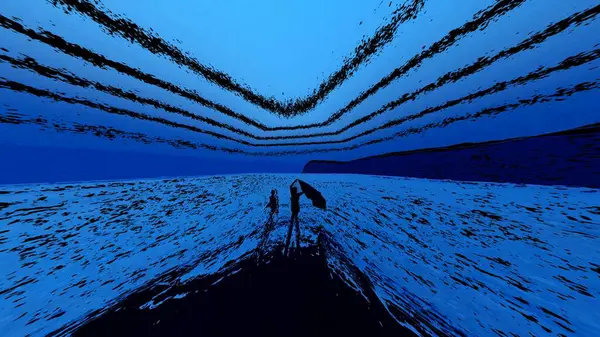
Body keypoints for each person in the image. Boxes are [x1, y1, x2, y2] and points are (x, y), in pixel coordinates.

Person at [284, 182, 303, 256]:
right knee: (295, 217)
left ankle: (292, 225)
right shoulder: (296, 195)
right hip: (296, 208)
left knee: (293, 216)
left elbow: (290, 186)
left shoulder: (292, 195)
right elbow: (302, 193)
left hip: (293, 208)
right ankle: (296, 228)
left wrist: (294, 182)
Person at [258, 189, 279, 255]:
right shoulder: (274, 197)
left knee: (271, 216)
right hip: (273, 208)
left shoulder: (273, 197)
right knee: (271, 216)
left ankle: (271, 224)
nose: (272, 193)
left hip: (273, 208)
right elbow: (274, 203)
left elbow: (274, 203)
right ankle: (272, 223)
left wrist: (270, 206)